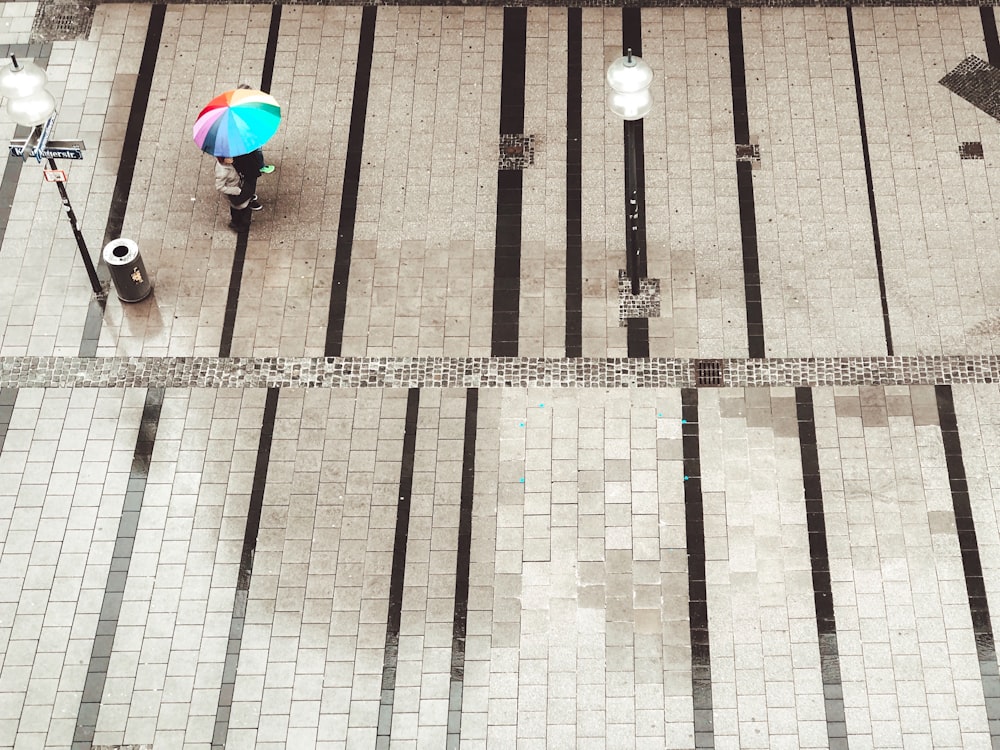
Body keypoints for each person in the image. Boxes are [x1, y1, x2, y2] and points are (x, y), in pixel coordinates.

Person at [215, 156, 261, 232]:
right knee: (237, 207)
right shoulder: (222, 172)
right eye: (228, 157)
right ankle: (236, 224)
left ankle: (237, 222)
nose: (231, 158)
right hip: (232, 191)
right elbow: (219, 187)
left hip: (237, 186)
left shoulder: (228, 164)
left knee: (238, 207)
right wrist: (235, 190)